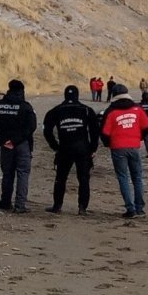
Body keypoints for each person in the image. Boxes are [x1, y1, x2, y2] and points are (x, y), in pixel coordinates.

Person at [42, 85, 99, 215]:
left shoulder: (56, 110)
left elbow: (47, 131)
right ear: (77, 95)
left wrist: (55, 146)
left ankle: (57, 206)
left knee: (61, 178)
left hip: (64, 148)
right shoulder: (86, 110)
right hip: (82, 149)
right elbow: (95, 131)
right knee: (84, 179)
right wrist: (93, 148)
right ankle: (82, 208)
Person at [101, 84, 148, 218]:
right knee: (137, 177)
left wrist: (108, 144)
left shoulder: (111, 111)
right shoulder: (137, 108)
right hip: (134, 146)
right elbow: (147, 125)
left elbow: (105, 132)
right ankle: (139, 208)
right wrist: (139, 137)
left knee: (123, 178)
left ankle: (130, 208)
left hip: (118, 147)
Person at [0, 79, 37, 213]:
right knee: (23, 174)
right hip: (22, 145)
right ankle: (20, 205)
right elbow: (32, 126)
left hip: (5, 144)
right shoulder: (26, 106)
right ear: (22, 91)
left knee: (7, 174)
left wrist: (5, 138)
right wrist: (15, 140)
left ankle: (5, 202)